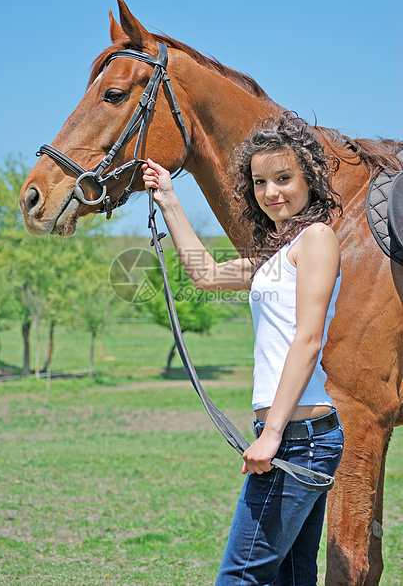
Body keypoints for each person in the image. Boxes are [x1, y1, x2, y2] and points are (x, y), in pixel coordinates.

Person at [142, 112, 344, 586]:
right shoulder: (279, 254)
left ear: (309, 178)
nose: (271, 192)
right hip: (300, 437)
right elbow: (206, 274)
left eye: (284, 178)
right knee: (292, 578)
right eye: (260, 182)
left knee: (240, 577)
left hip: (299, 439)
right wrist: (170, 201)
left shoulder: (317, 239)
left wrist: (272, 434)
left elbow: (308, 339)